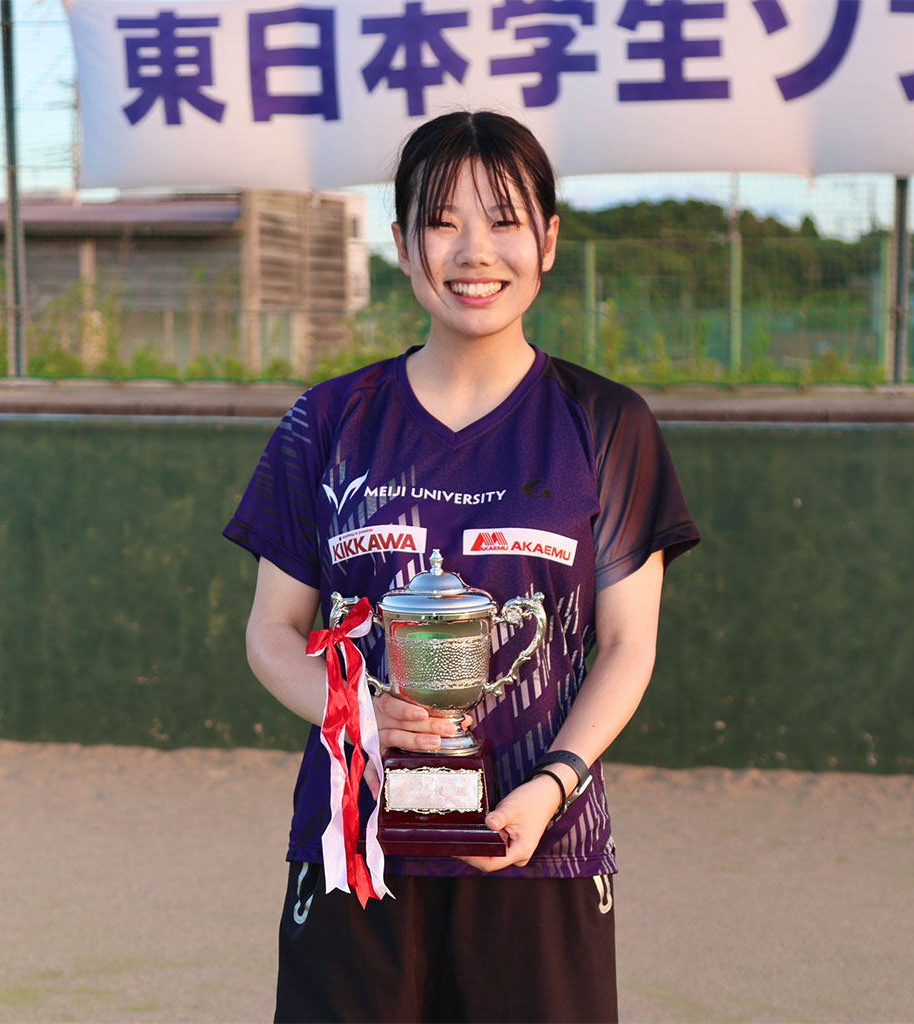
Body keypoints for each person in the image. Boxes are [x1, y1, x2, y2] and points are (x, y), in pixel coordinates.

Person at [223, 109, 700, 1023]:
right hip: (355, 854)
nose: (475, 252)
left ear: (548, 242)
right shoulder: (327, 421)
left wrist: (551, 785)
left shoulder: (606, 424)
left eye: (505, 221)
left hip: (542, 850)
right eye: (442, 223)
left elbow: (627, 646)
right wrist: (359, 713)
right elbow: (271, 633)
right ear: (403, 246)